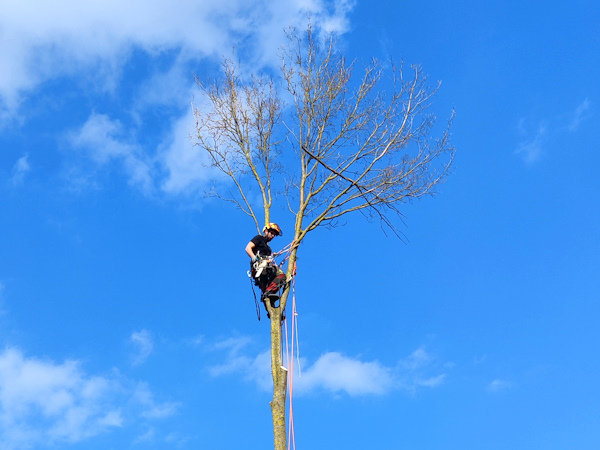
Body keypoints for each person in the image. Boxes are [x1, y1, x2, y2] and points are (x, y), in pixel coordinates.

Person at [245, 223, 287, 299]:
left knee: (282, 277)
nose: (273, 236)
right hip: (260, 267)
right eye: (271, 233)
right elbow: (248, 248)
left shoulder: (268, 249)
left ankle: (268, 295)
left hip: (266, 270)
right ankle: (268, 294)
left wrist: (271, 256)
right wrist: (254, 258)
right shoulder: (259, 238)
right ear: (266, 231)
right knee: (277, 276)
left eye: (274, 235)